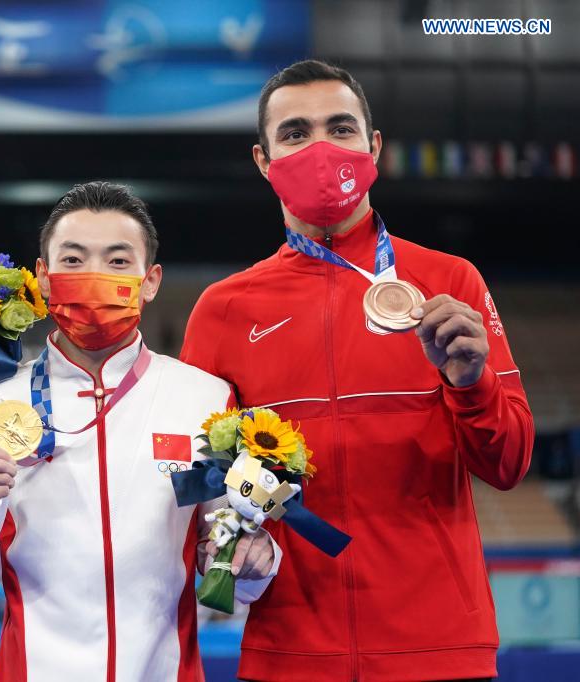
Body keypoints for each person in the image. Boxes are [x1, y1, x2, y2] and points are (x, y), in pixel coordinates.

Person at [181, 60, 534, 682]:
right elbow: (197, 476)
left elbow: (508, 465)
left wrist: (470, 384)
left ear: (373, 147)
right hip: (289, 652)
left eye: (340, 129)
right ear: (264, 160)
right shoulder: (224, 310)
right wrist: (233, 548)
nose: (320, 148)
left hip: (439, 649)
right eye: (295, 133)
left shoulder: (449, 283)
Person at [0, 181, 280, 682]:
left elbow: (232, 566)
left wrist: (260, 561)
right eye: (73, 260)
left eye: (117, 261)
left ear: (150, 280)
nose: (94, 276)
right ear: (43, 277)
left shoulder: (205, 401)